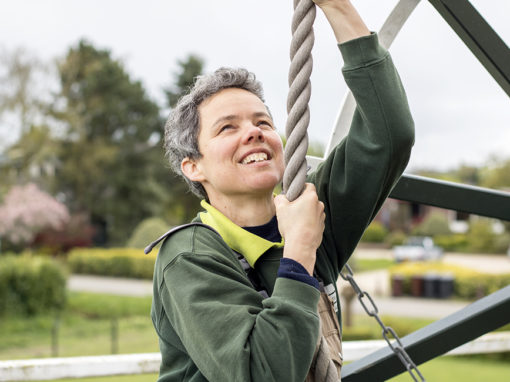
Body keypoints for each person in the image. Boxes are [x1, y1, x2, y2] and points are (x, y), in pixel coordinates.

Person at [148, 0, 415, 381]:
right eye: (227, 128)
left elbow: (389, 136)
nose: (254, 132)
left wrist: (337, 7)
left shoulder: (310, 209)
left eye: (263, 121)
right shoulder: (190, 256)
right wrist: (301, 249)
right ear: (193, 166)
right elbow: (261, 373)